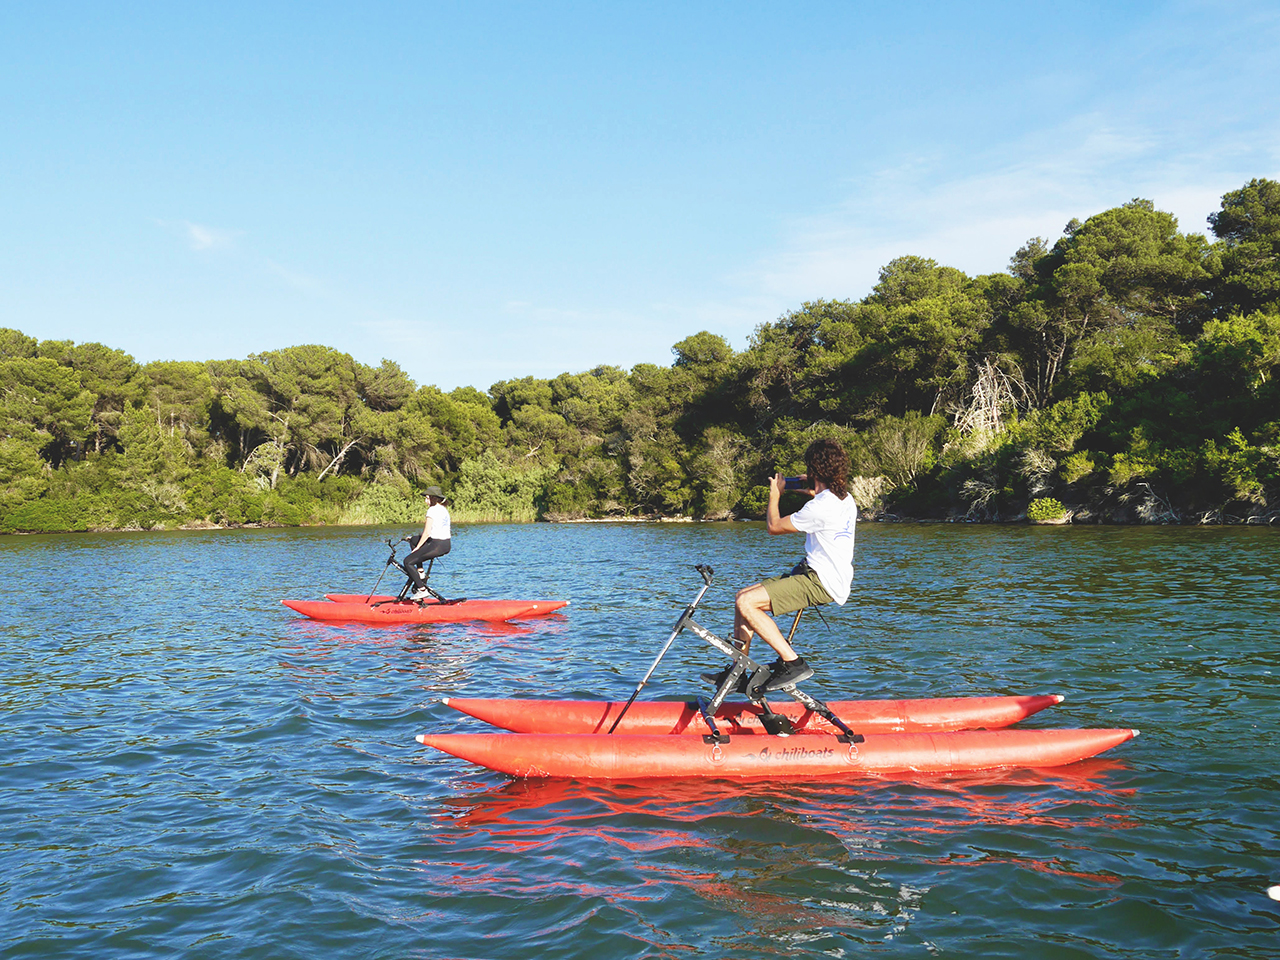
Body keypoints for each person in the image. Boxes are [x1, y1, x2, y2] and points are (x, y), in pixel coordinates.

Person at [706, 437, 858, 692]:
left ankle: (793, 662)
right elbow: (816, 492)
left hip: (821, 581)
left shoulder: (820, 508)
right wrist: (796, 485)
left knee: (747, 603)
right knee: (742, 597)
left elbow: (774, 526)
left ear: (815, 470)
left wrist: (775, 494)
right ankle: (738, 669)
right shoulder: (843, 498)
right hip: (820, 575)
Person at [404, 486, 452, 600]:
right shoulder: (443, 509)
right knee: (414, 540)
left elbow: (426, 533)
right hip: (446, 544)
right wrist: (414, 540)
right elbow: (433, 531)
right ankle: (420, 572)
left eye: (427, 498)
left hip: (437, 545)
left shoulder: (432, 510)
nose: (425, 501)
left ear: (433, 498)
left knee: (408, 561)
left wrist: (417, 548)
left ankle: (422, 590)